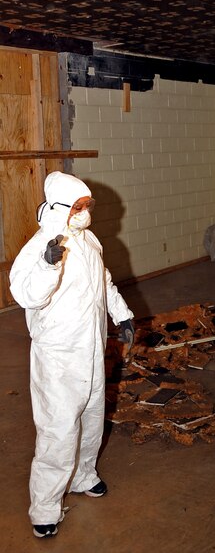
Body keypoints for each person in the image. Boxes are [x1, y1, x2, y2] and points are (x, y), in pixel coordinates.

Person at [9, 171, 135, 538]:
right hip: (59, 355)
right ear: (60, 208)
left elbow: (104, 280)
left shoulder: (89, 240)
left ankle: (83, 475)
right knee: (58, 429)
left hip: (91, 348)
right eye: (79, 207)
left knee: (93, 417)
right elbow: (27, 294)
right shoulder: (39, 248)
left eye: (87, 205)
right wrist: (49, 264)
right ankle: (45, 507)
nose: (85, 212)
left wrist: (122, 313)